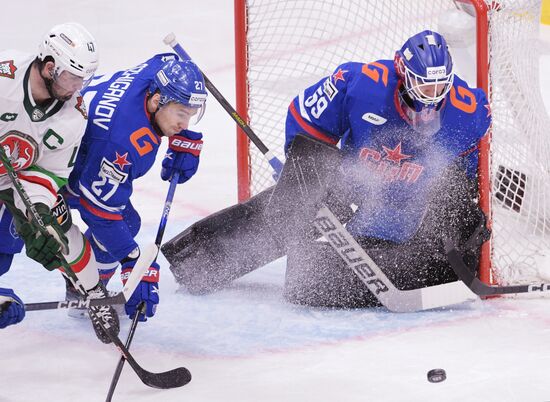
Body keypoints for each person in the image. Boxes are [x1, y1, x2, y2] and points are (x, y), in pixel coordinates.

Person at [161, 30, 492, 308]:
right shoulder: (362, 85)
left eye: (439, 87)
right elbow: (306, 120)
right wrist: (301, 171)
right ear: (403, 72)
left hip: (406, 199)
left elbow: (466, 175)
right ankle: (197, 262)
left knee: (315, 281)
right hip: (351, 177)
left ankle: (314, 278)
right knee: (290, 208)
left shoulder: (469, 110)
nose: (432, 96)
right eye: (424, 85)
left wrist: (464, 217)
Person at [0, 22, 122, 341]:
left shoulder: (73, 116)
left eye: (83, 80)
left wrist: (37, 211)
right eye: (72, 77)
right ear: (50, 66)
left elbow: (48, 173)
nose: (76, 88)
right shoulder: (4, 78)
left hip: (15, 178)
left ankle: (93, 293)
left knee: (56, 228)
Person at [65, 54, 208, 322]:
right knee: (10, 238)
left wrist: (182, 135)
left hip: (77, 144)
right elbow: (99, 213)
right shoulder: (122, 143)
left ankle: (82, 287)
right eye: (181, 115)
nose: (184, 123)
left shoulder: (158, 74)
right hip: (54, 169)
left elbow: (168, 58)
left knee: (128, 222)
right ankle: (86, 293)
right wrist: (133, 263)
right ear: (157, 101)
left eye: (189, 116)